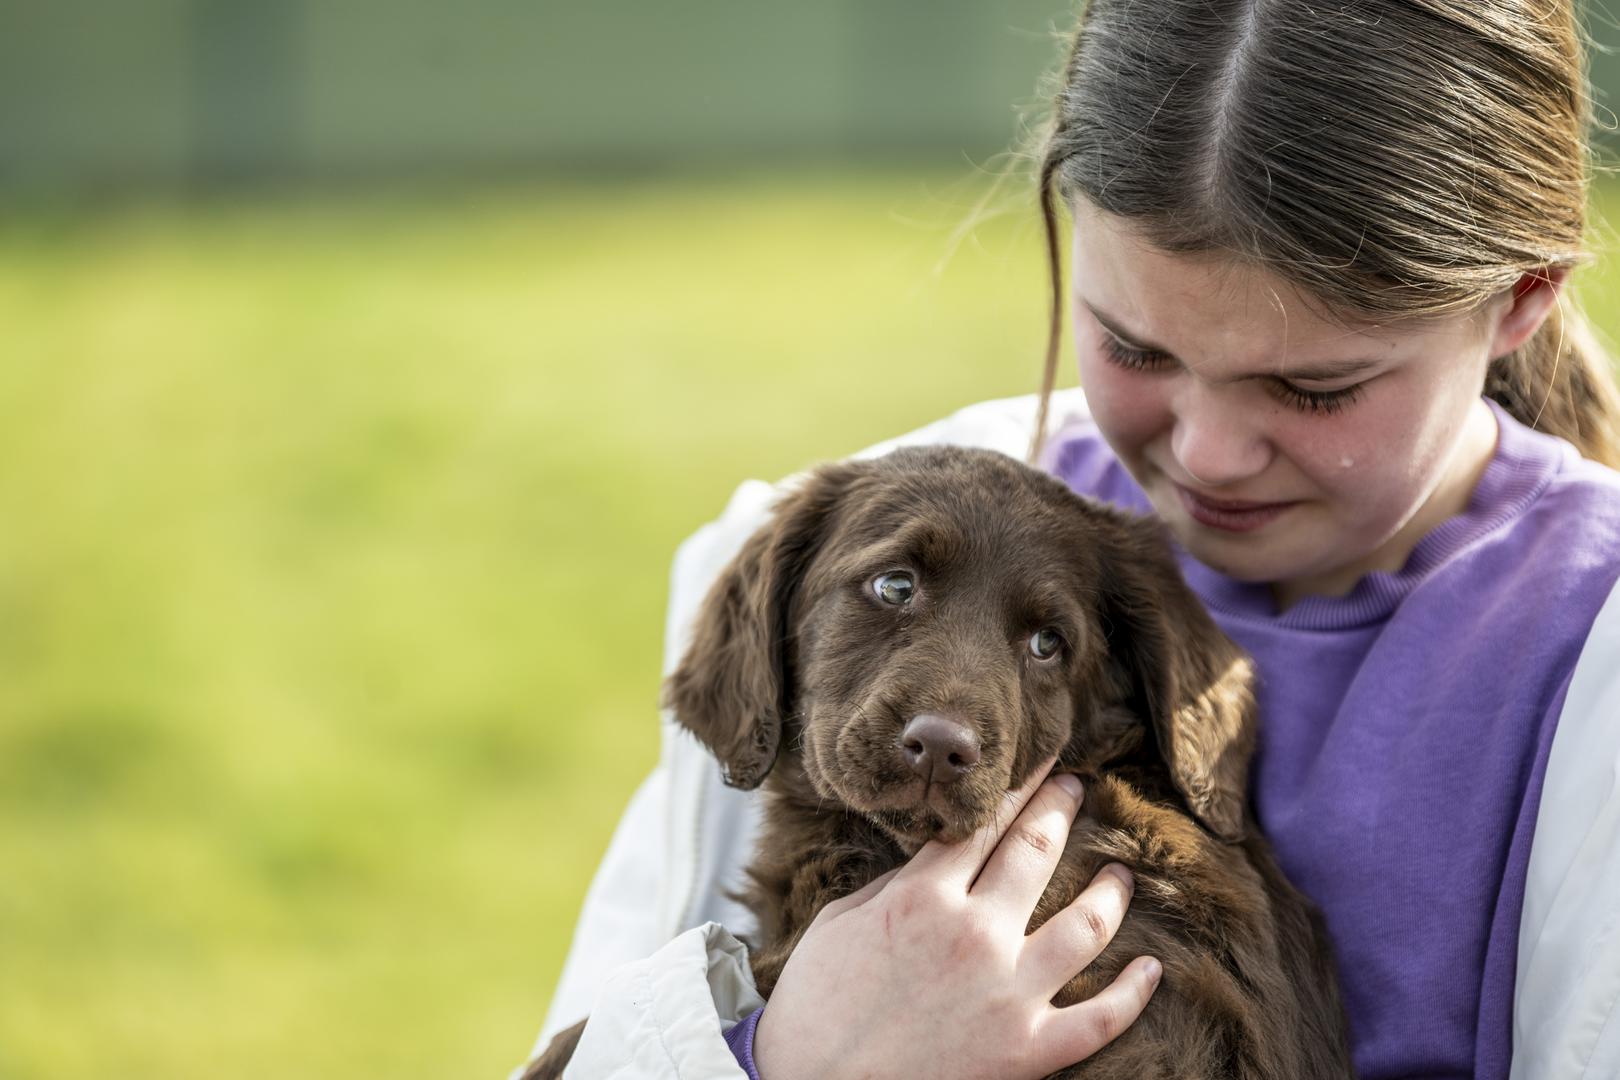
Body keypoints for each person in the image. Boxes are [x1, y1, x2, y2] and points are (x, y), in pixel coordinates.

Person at [521, 0, 1620, 1077]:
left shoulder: (1589, 657)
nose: (1211, 451)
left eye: (1313, 387)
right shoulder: (835, 549)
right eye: (1136, 349)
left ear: (1520, 298)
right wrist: (792, 1056)